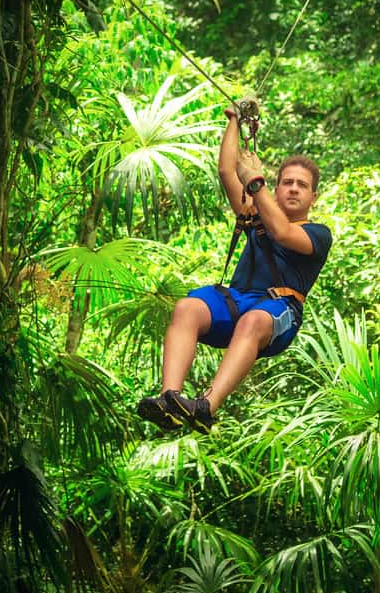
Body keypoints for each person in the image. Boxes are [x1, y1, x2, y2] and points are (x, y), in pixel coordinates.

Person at [136, 103, 333, 434]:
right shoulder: (253, 212)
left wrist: (255, 182)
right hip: (237, 300)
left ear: (314, 196)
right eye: (287, 182)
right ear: (278, 187)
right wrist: (233, 122)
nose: (294, 188)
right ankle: (170, 399)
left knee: (254, 320)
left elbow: (283, 232)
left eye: (301, 184)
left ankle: (206, 407)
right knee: (187, 308)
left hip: (276, 311)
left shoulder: (318, 234)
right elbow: (228, 172)